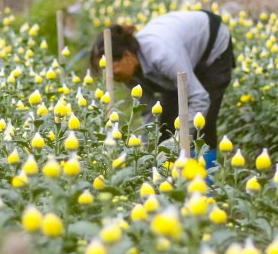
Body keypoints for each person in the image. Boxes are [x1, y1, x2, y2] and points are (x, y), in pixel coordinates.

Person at [90, 10, 235, 155]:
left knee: (201, 124)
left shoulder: (163, 56)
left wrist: (177, 140)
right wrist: (142, 152)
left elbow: (200, 98)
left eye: (111, 68)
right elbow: (149, 109)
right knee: (167, 123)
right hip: (182, 52)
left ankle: (204, 174)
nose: (110, 76)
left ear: (127, 56)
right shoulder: (129, 72)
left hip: (211, 42)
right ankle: (170, 173)